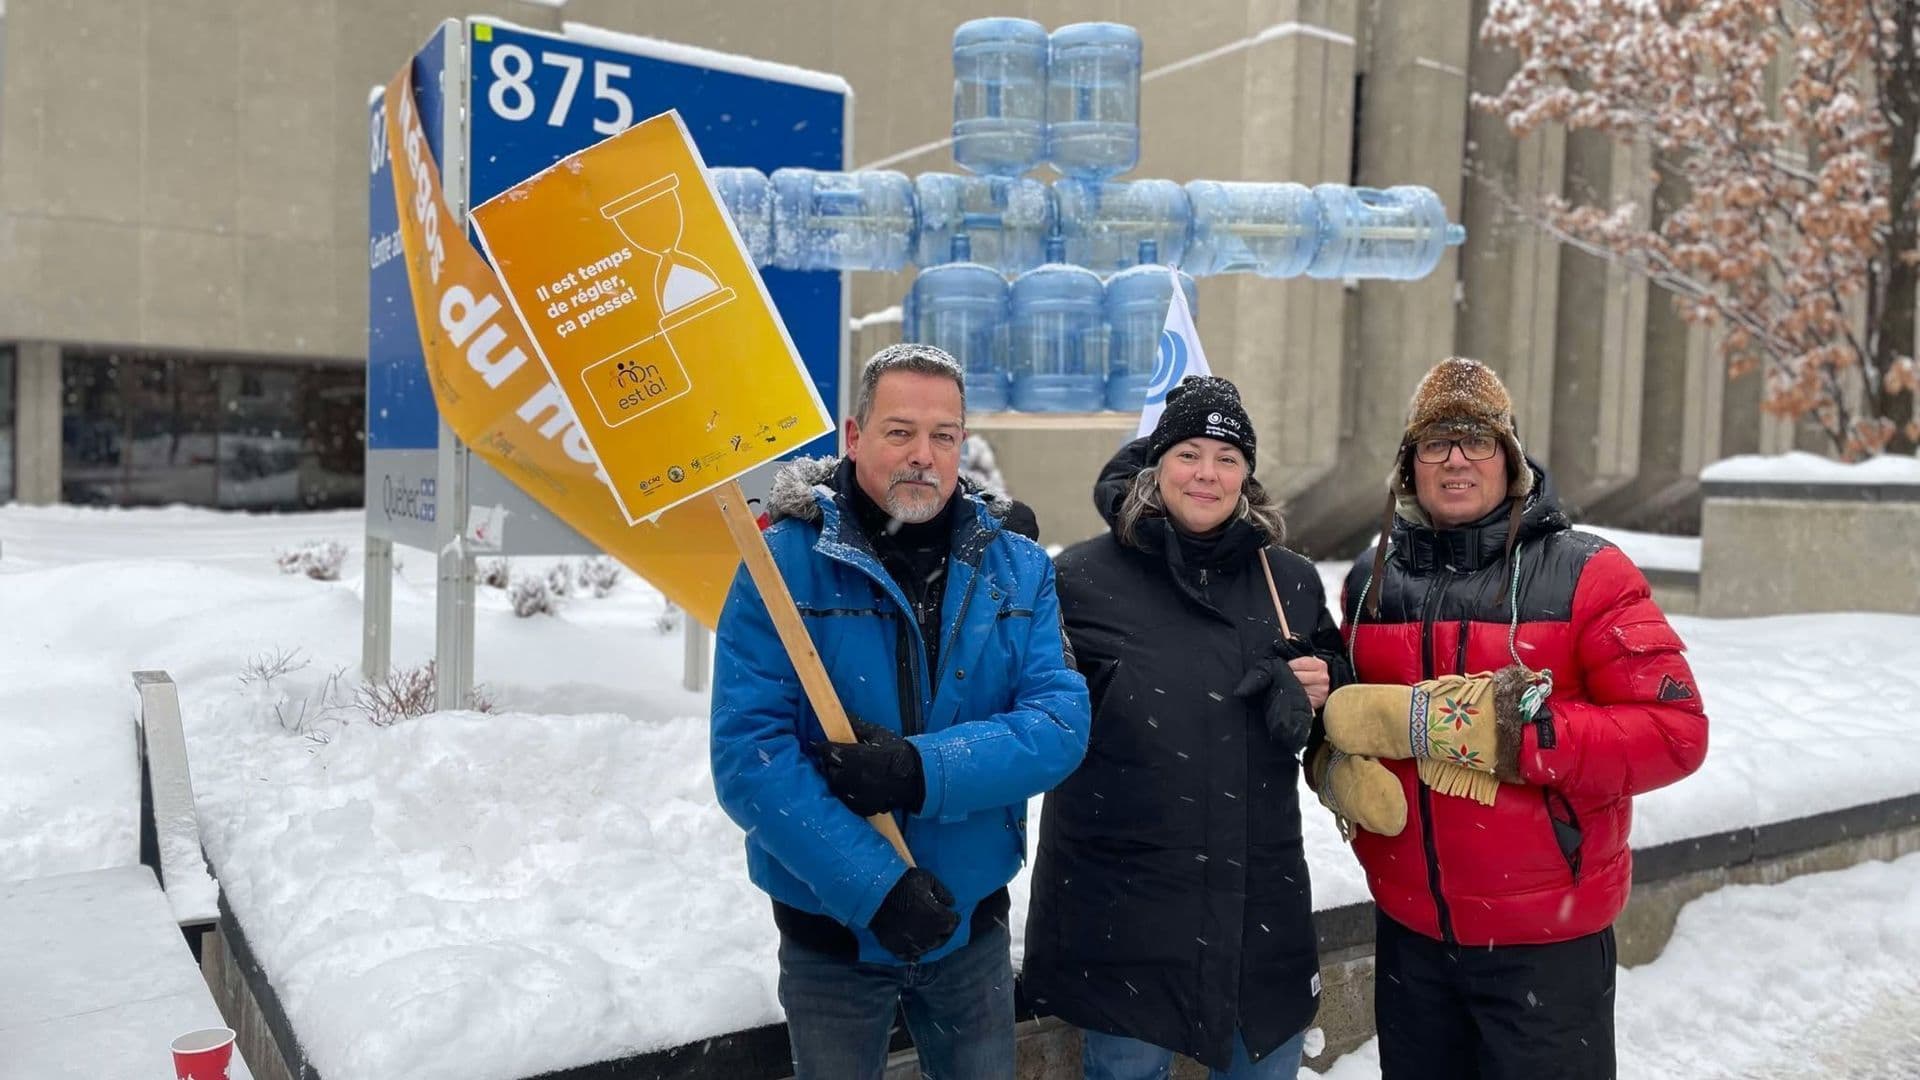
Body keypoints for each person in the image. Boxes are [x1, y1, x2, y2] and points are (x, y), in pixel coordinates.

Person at [1316, 356, 1709, 1080]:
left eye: (1478, 440)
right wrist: (1329, 765)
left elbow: (1674, 733)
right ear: (1409, 465)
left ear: (1511, 458)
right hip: (1412, 936)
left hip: (1545, 944)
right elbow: (1349, 711)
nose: (1456, 459)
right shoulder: (1375, 578)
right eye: (1435, 442)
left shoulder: (1587, 572)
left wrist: (1502, 731)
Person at [710, 342, 1092, 1080]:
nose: (923, 454)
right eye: (899, 431)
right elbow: (750, 758)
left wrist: (921, 770)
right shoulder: (781, 566)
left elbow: (1058, 725)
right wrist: (875, 889)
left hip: (969, 929)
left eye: (943, 435)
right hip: (833, 936)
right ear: (854, 439)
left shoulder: (1018, 570)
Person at [1023, 375, 1352, 1078]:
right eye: (1189, 453)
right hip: (1126, 907)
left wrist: (1327, 683)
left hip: (1258, 898)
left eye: (1227, 458)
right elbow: (1030, 709)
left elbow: (1338, 691)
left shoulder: (1287, 580)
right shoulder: (1081, 577)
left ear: (1247, 476)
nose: (1207, 473)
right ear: (1156, 464)